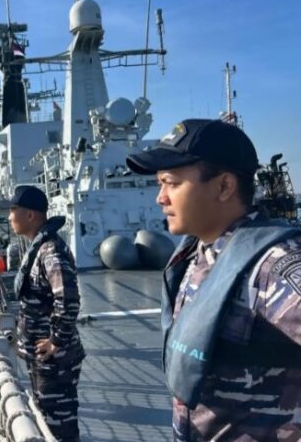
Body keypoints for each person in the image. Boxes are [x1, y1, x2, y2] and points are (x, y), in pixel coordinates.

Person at [126, 118, 301, 441]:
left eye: (171, 183)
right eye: (159, 184)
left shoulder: (273, 266)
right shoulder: (196, 253)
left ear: (223, 187)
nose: (160, 198)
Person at [8, 185, 84, 442]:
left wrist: (56, 341)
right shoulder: (38, 247)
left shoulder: (50, 250)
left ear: (30, 215)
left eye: (13, 210)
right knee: (46, 420)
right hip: (43, 358)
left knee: (59, 429)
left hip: (54, 361)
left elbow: (68, 298)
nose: (9, 217)